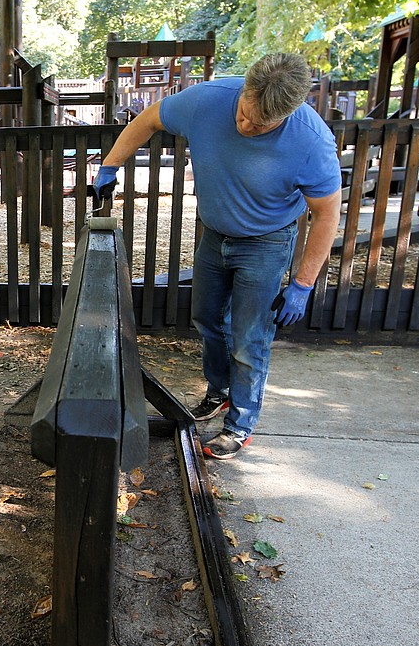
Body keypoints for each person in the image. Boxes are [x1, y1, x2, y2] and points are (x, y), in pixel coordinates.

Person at [93, 53, 341, 460]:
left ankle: (240, 424)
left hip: (267, 242)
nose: (246, 126)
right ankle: (221, 391)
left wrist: (302, 284)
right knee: (207, 318)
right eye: (245, 114)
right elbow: (149, 119)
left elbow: (327, 213)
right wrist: (111, 164)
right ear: (244, 90)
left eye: (260, 126)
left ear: (289, 112)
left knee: (249, 338)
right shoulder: (208, 100)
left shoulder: (310, 142)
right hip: (215, 235)